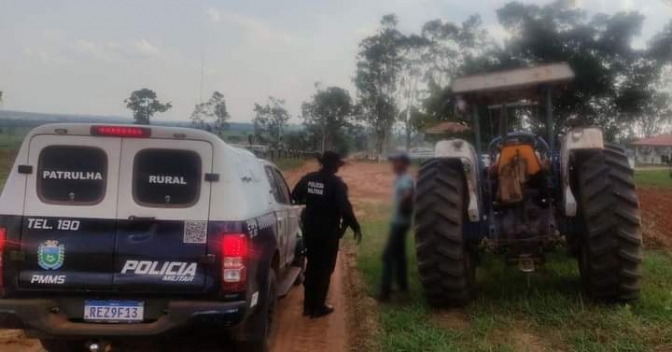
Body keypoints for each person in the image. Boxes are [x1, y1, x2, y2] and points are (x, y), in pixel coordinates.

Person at [291, 151, 362, 318]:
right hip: (328, 231)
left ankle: (308, 307)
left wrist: (312, 202)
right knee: (324, 269)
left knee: (312, 265)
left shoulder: (308, 178)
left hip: (310, 229)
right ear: (335, 165)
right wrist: (355, 226)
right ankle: (318, 308)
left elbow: (295, 197)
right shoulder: (337, 184)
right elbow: (345, 208)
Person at [380, 152, 414, 301]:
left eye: (397, 162)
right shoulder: (398, 179)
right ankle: (403, 286)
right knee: (400, 256)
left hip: (400, 224)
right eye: (393, 162)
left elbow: (408, 194)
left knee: (388, 257)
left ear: (405, 165)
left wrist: (403, 204)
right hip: (398, 222)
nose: (394, 165)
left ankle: (385, 292)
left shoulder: (406, 179)